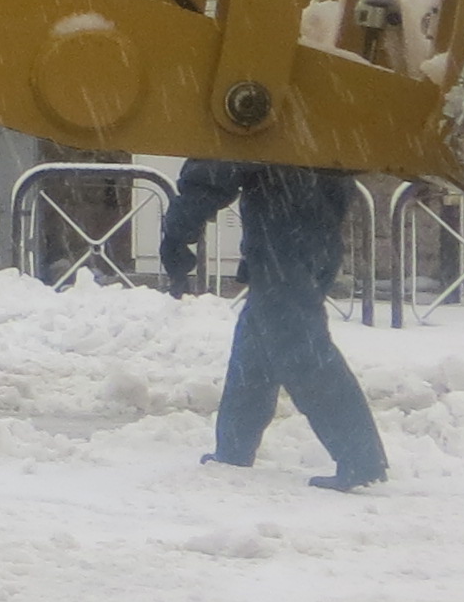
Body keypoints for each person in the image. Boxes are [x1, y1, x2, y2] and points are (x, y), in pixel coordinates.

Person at [159, 158, 390, 493]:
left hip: (282, 235)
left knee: (299, 347)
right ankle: (234, 448)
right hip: (316, 229)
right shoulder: (321, 112)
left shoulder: (263, 112)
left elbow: (217, 163)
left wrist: (179, 232)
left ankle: (360, 457)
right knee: (258, 341)